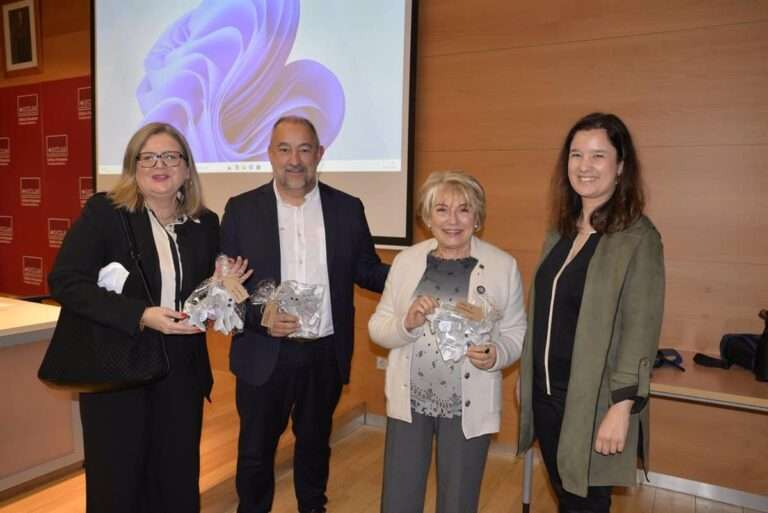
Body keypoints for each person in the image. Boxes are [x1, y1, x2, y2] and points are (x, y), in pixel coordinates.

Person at [48, 122, 250, 513]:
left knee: (176, 479)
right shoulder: (107, 213)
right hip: (117, 368)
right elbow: (66, 281)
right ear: (133, 166)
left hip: (181, 371)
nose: (160, 165)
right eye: (149, 157)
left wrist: (219, 289)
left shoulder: (205, 223)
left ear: (187, 169)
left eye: (171, 156)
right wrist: (141, 314)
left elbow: (200, 296)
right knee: (117, 483)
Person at [221, 115, 389, 513]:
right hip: (264, 352)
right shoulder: (241, 210)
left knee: (315, 447)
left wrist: (418, 270)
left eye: (304, 149)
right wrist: (260, 318)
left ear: (320, 153)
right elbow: (225, 288)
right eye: (284, 149)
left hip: (324, 353)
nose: (294, 160)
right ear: (270, 155)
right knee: (255, 454)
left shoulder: (347, 208)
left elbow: (366, 270)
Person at [516, 112, 665, 512]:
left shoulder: (638, 238)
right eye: (576, 154)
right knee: (568, 496)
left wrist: (622, 408)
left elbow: (641, 329)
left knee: (586, 503)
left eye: (599, 155)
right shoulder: (560, 232)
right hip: (547, 395)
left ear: (621, 167)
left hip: (595, 401)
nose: (585, 165)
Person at [368, 170, 527, 513]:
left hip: (468, 404)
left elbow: (516, 333)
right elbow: (377, 327)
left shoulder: (502, 267)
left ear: (477, 217)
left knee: (458, 501)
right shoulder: (406, 262)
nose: (452, 220)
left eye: (464, 209)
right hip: (410, 401)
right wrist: (406, 324)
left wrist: (496, 354)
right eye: (441, 210)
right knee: (399, 500)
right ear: (427, 218)